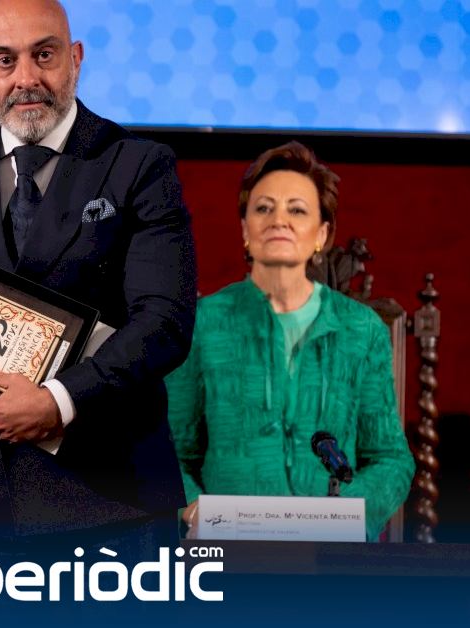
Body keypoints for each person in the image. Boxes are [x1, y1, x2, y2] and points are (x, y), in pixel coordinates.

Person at [0, 0, 196, 556]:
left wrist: (58, 400)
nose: (26, 78)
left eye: (43, 55)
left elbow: (164, 322)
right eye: (5, 60)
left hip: (114, 503)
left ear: (75, 58)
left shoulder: (139, 165)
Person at [165, 141, 414, 541]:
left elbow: (390, 458)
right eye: (263, 208)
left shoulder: (361, 329)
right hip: (228, 549)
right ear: (245, 229)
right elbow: (171, 451)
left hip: (331, 553)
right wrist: (195, 510)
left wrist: (349, 517)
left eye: (297, 210)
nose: (279, 220)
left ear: (321, 234)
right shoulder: (202, 324)